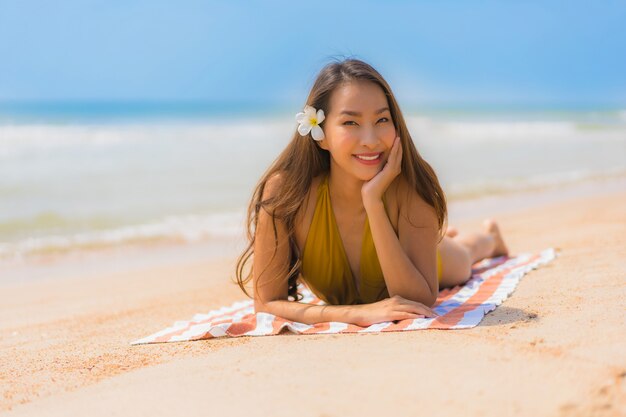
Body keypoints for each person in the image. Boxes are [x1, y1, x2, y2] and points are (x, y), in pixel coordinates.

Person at [235, 58, 508, 327]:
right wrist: (356, 314)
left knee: (464, 256)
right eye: (350, 123)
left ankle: (490, 239)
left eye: (382, 119)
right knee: (448, 243)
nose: (370, 140)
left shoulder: (409, 187)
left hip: (430, 260)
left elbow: (419, 301)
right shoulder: (286, 193)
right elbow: (266, 303)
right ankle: (449, 237)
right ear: (322, 134)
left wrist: (374, 203)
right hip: (405, 242)